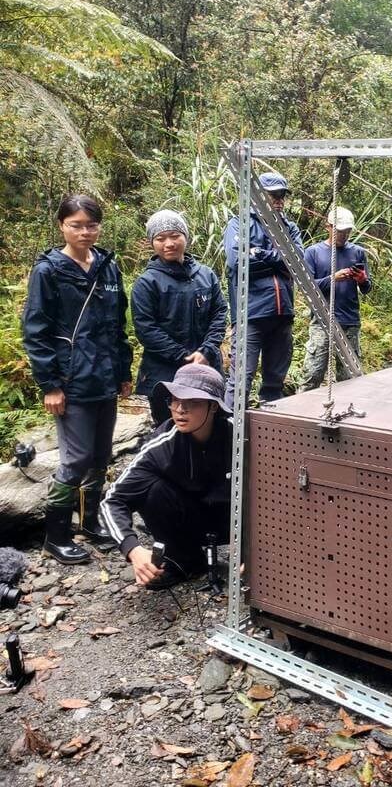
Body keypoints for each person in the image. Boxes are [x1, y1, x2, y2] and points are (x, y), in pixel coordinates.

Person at [22, 193, 133, 565]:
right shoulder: (49, 271)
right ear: (62, 226)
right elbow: (36, 331)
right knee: (76, 458)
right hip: (71, 380)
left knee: (100, 454)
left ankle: (89, 521)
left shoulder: (107, 266)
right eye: (76, 225)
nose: (85, 232)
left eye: (91, 225)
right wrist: (50, 385)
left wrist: (123, 372)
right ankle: (55, 536)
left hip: (105, 376)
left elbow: (116, 325)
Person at [100, 364, 232, 590]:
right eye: (174, 400)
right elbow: (112, 501)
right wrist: (133, 549)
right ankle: (186, 560)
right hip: (192, 522)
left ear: (213, 406)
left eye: (192, 402)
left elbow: (277, 494)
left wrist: (260, 552)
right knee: (153, 490)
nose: (180, 409)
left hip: (234, 522)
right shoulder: (161, 446)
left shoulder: (242, 436)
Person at [131, 210, 228, 425]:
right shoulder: (147, 283)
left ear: (185, 236)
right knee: (170, 431)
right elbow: (146, 329)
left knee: (212, 427)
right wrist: (184, 356)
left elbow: (219, 313)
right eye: (160, 238)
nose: (169, 243)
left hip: (207, 368)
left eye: (175, 236)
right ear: (152, 242)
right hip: (164, 373)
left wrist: (206, 350)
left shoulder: (206, 275)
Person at [222, 172, 304, 408]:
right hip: (250, 314)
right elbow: (238, 262)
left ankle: (271, 426)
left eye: (282, 195)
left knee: (275, 382)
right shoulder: (239, 224)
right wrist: (280, 260)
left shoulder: (289, 228)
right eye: (273, 195)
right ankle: (229, 426)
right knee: (240, 380)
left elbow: (299, 262)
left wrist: (259, 253)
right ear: (257, 196)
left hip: (282, 314)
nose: (279, 200)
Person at [300, 206, 371, 391]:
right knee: (312, 374)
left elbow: (366, 288)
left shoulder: (357, 252)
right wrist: (334, 278)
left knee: (350, 378)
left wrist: (362, 280)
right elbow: (308, 287)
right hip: (322, 321)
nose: (344, 235)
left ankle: (346, 407)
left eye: (347, 231)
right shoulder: (313, 252)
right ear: (328, 227)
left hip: (350, 321)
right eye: (340, 231)